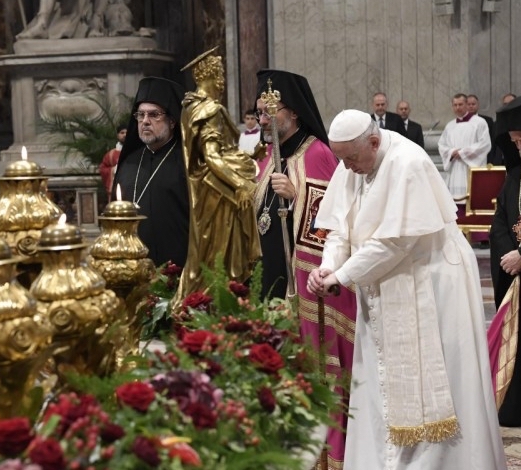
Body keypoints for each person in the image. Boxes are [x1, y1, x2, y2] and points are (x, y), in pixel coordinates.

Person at [308, 109, 506, 470]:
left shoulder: (408, 162)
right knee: (379, 380)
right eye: (342, 160)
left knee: (439, 379)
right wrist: (328, 267)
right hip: (381, 283)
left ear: (373, 142)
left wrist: (343, 275)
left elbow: (396, 242)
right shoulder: (352, 162)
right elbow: (339, 228)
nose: (346, 168)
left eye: (351, 159)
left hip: (430, 281)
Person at [253, 69, 357, 469]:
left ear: (293, 113)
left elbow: (338, 225)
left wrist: (297, 198)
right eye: (260, 112)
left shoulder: (317, 154)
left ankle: (325, 454)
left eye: (270, 111)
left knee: (313, 368)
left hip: (306, 286)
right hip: (274, 280)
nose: (263, 119)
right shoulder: (271, 156)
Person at [171, 48, 260, 305]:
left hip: (209, 188)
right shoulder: (208, 109)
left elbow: (217, 153)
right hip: (219, 192)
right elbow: (211, 156)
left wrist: (249, 157)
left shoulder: (190, 107)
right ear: (209, 74)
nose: (222, 80)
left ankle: (204, 302)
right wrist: (241, 184)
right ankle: (216, 305)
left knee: (206, 253)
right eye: (219, 73)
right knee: (219, 256)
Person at [112, 77, 189, 267]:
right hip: (134, 266)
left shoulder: (188, 162)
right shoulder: (129, 162)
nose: (145, 121)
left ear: (172, 121)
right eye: (141, 115)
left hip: (179, 266)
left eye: (154, 115)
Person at [488, 96, 521, 427]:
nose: (517, 147)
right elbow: (499, 222)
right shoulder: (515, 177)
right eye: (513, 142)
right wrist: (510, 254)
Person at [438, 93, 491, 201]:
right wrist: (451, 152)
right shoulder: (450, 126)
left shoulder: (479, 122)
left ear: (466, 105)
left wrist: (463, 153)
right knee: (455, 201)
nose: (458, 107)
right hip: (455, 168)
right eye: (455, 105)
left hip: (471, 167)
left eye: (460, 104)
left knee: (472, 199)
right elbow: (442, 145)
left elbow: (485, 144)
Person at [467, 94, 500, 165]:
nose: (471, 106)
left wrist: (491, 160)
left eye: (473, 104)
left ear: (478, 105)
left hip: (485, 158)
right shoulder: (461, 122)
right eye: (468, 104)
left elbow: (492, 140)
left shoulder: (488, 121)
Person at [98, 124, 127, 195]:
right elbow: (102, 169)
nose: (125, 135)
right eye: (122, 133)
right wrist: (113, 170)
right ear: (117, 135)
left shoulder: (136, 152)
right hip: (116, 188)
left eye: (127, 133)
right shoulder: (111, 155)